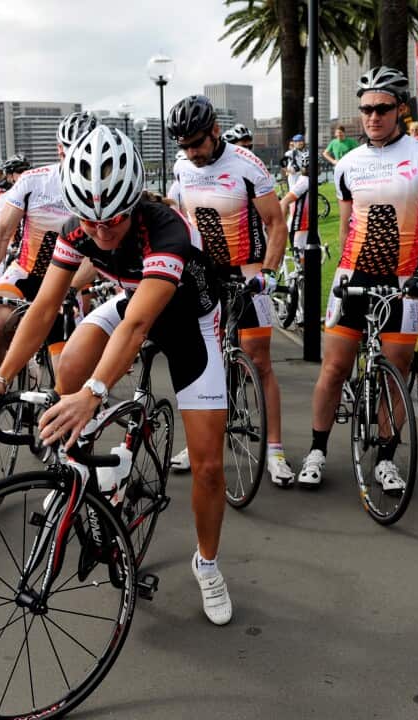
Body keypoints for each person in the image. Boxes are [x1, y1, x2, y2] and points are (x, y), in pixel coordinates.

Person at [0, 125, 237, 625]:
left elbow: (137, 327)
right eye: (90, 223)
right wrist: (0, 377)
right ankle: (87, 475)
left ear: (133, 203)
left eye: (112, 220)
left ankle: (208, 563)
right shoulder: (76, 228)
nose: (101, 232)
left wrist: (94, 393)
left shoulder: (166, 229)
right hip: (136, 297)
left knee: (208, 466)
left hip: (188, 319)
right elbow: (45, 306)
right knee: (69, 363)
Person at [297, 67, 418, 490]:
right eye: (365, 109)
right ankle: (316, 449)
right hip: (354, 275)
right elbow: (349, 227)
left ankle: (386, 457)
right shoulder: (349, 164)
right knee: (334, 368)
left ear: (400, 110)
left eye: (382, 108)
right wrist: (340, 277)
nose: (372, 117)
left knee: (395, 369)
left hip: (406, 280)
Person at [163, 95, 294, 485]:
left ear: (215, 131)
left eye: (197, 143)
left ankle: (274, 450)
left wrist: (268, 273)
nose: (191, 152)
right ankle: (203, 441)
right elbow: (183, 213)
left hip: (249, 269)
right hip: (205, 273)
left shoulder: (246, 165)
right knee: (206, 361)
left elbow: (276, 224)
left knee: (260, 361)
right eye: (184, 146)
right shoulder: (182, 166)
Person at [0, 111, 99, 366]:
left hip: (69, 280)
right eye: (67, 152)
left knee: (66, 376)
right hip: (27, 271)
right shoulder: (34, 181)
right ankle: (5, 378)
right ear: (59, 149)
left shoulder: (101, 188)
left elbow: (99, 252)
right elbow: (3, 231)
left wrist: (69, 289)